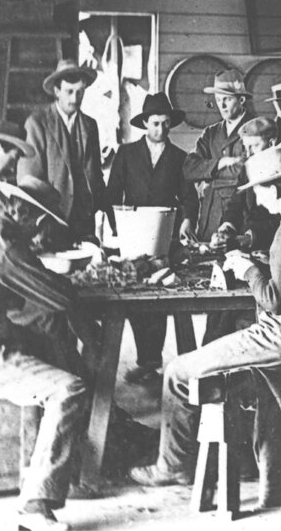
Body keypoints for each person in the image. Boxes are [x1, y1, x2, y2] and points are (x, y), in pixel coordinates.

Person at [130, 145, 281, 508]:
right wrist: (261, 261)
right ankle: (241, 466)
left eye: (257, 189)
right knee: (221, 370)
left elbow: (274, 300)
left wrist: (247, 269)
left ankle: (172, 465)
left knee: (178, 370)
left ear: (274, 189)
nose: (255, 197)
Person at [0, 177, 99, 531]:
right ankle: (35, 506)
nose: (40, 234)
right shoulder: (4, 245)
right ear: (21, 212)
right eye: (40, 223)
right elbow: (59, 297)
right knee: (70, 388)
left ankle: (41, 467)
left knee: (46, 338)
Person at [105, 92, 198, 385]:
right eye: (156, 123)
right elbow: (111, 195)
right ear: (145, 123)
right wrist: (118, 228)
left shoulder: (179, 158)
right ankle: (144, 360)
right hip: (133, 235)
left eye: (166, 124)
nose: (161, 130)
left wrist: (186, 221)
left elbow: (189, 197)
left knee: (159, 298)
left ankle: (152, 362)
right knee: (134, 297)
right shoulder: (126, 153)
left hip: (163, 235)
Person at [19, 59, 106, 241]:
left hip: (84, 221)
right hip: (51, 220)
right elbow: (29, 180)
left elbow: (95, 175)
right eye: (69, 92)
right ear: (57, 91)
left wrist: (103, 210)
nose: (75, 99)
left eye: (80, 92)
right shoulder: (37, 123)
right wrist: (41, 222)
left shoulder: (90, 125)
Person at [183, 69, 252, 240]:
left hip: (239, 218)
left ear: (241, 99)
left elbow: (246, 174)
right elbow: (189, 169)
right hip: (208, 216)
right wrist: (220, 163)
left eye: (227, 100)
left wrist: (208, 172)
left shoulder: (255, 130)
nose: (221, 106)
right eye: (218, 100)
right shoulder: (211, 133)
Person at [211, 116, 281, 252]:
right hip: (247, 243)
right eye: (245, 147)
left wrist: (248, 238)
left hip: (274, 246)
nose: (248, 153)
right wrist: (226, 228)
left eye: (254, 146)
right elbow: (236, 203)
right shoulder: (248, 167)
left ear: (271, 143)